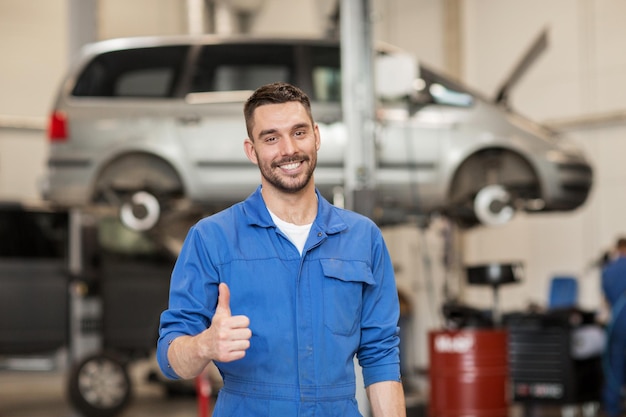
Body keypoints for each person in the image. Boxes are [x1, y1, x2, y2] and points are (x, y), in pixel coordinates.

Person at [157, 82, 406, 417]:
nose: (289, 149)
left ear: (316, 137)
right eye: (271, 138)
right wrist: (205, 345)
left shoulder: (363, 238)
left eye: (299, 132)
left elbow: (381, 356)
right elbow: (172, 358)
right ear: (251, 150)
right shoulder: (212, 238)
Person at [601, 237, 626, 417]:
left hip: (617, 324)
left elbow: (607, 301)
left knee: (615, 363)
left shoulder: (608, 270)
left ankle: (612, 407)